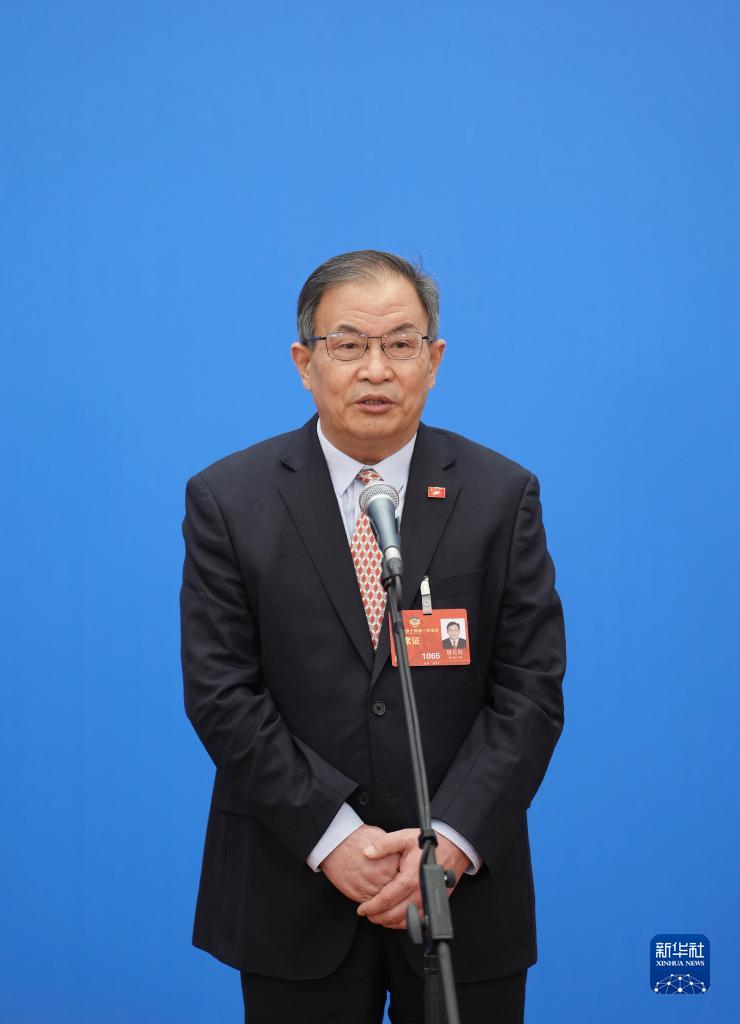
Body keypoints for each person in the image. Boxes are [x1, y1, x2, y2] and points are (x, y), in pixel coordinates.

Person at [180, 250, 566, 1024]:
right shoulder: (230, 500)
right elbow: (222, 694)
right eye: (349, 344)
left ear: (435, 359)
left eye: (400, 343)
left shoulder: (500, 495)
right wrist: (334, 838)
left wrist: (449, 840)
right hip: (296, 885)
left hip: (462, 898)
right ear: (305, 362)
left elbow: (529, 691)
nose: (376, 369)